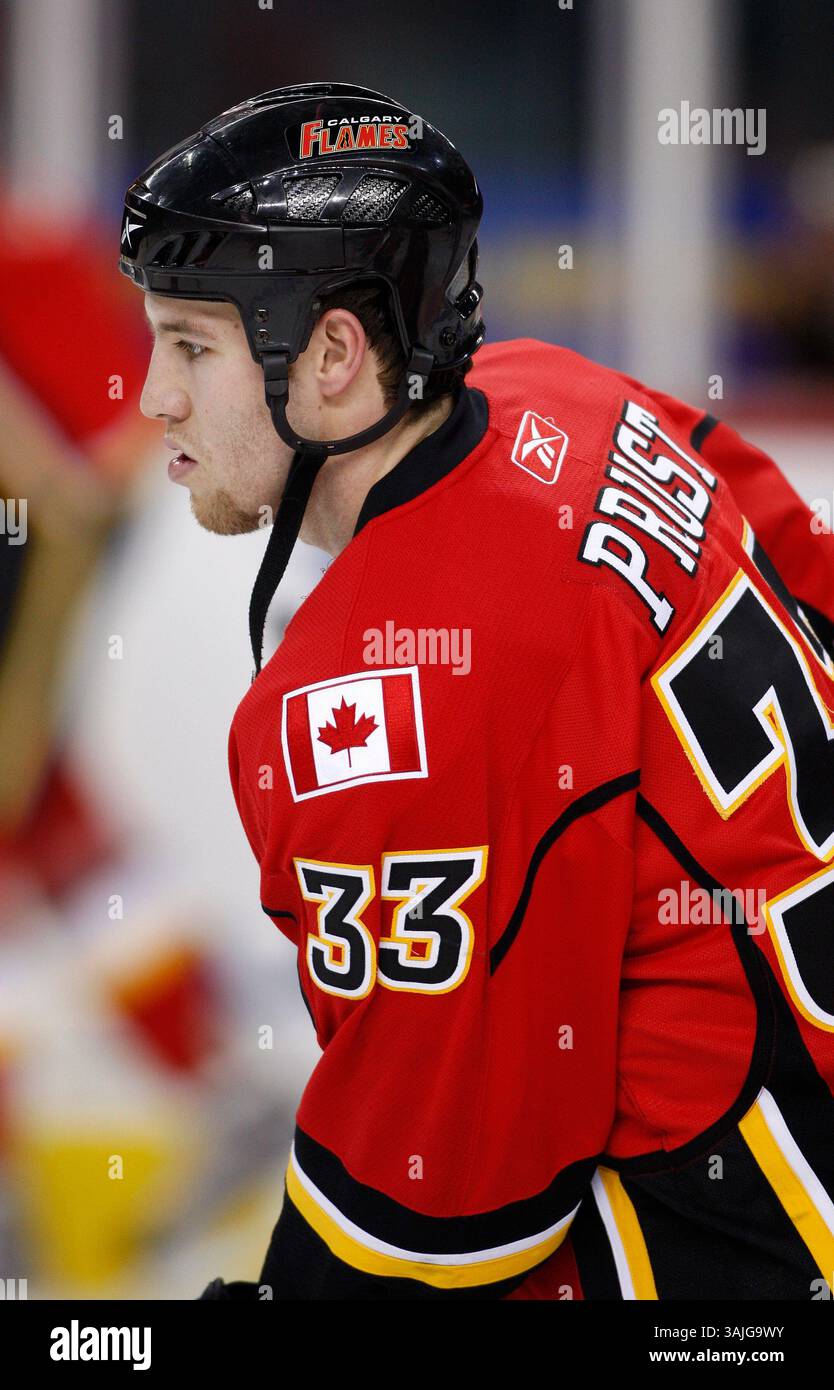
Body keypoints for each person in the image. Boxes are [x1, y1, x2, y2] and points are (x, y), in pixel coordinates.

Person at [119, 82, 834, 1300]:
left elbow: (435, 1219)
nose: (153, 397)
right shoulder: (568, 391)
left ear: (333, 355)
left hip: (743, 1240)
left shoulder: (395, 700)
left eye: (191, 345)